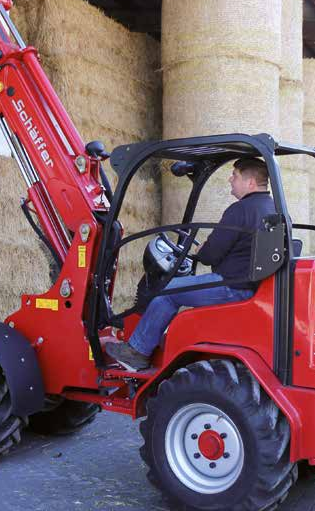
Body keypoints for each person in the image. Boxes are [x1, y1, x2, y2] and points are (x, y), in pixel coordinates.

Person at [105, 157, 276, 372]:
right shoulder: (272, 209)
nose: (230, 179)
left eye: (235, 175)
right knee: (180, 288)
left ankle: (137, 352)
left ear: (250, 183)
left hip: (232, 286)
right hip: (251, 285)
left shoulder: (240, 210)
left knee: (168, 291)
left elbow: (211, 255)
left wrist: (199, 251)